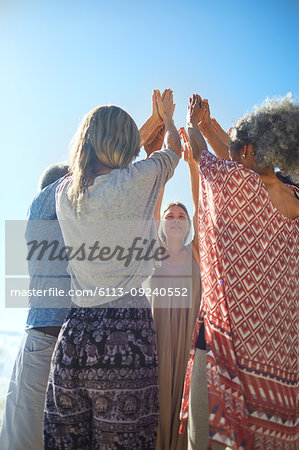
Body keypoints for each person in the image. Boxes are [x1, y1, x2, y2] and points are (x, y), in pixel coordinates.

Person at [43, 90, 182, 449]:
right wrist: (165, 119)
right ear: (125, 144)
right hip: (126, 334)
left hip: (74, 336)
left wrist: (143, 126)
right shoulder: (133, 181)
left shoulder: (64, 193)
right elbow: (174, 150)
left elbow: (110, 154)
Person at [180, 94, 299, 449]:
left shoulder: (232, 183)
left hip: (225, 351)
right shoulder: (294, 196)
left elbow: (202, 154)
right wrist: (215, 131)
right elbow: (243, 157)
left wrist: (192, 123)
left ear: (245, 152)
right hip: (282, 361)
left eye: (236, 150)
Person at [0, 163, 71, 450]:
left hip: (55, 345)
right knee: (25, 439)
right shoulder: (40, 208)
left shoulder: (74, 232)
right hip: (42, 342)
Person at [142, 126, 201, 450]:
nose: (176, 218)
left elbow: (203, 210)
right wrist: (164, 166)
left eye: (181, 215)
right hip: (155, 341)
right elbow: (151, 208)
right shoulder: (153, 251)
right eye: (170, 215)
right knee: (155, 407)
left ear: (189, 225)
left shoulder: (196, 253)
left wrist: (193, 164)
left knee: (183, 410)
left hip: (188, 344)